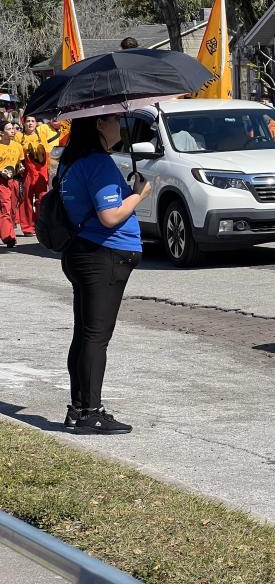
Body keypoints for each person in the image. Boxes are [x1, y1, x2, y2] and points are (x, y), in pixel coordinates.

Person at [59, 113, 151, 434]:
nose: (119, 125)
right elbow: (110, 215)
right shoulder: (97, 162)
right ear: (99, 124)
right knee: (96, 338)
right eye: (113, 119)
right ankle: (90, 413)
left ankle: (78, 409)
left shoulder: (71, 160)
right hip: (103, 257)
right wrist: (139, 194)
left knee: (84, 334)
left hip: (83, 252)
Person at [17, 115, 50, 236]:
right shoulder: (19, 136)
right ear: (24, 123)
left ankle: (40, 225)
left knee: (42, 198)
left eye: (32, 121)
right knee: (26, 199)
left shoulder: (41, 136)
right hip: (27, 171)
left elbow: (47, 155)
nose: (30, 123)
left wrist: (48, 173)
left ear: (36, 123)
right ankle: (27, 227)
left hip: (41, 171)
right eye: (28, 121)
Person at [0, 121, 24, 247]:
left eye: (13, 129)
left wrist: (20, 168)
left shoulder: (17, 146)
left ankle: (6, 231)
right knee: (5, 207)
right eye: (9, 129)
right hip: (1, 181)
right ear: (1, 132)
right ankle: (9, 237)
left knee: (12, 209)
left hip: (13, 180)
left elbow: (20, 163)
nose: (13, 131)